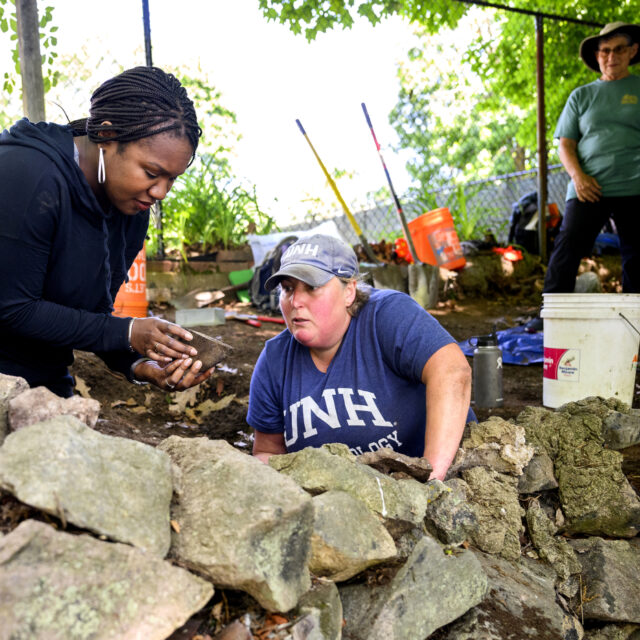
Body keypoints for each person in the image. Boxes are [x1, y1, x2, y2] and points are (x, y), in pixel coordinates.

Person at [0, 66, 213, 397]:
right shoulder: (27, 173)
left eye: (172, 179)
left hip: (44, 380)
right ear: (108, 137)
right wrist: (127, 331)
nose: (161, 192)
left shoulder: (131, 209)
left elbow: (91, 318)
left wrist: (139, 364)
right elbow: (12, 308)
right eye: (152, 172)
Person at [247, 234, 475, 481]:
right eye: (288, 289)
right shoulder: (274, 361)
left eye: (311, 287)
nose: (296, 301)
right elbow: (268, 452)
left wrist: (432, 485)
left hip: (443, 481)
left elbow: (453, 372)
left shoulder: (387, 315)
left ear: (349, 292)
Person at [526, 22, 640, 331]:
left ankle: (633, 320)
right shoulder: (582, 95)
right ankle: (548, 314)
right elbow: (565, 144)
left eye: (618, 49)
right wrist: (578, 177)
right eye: (604, 50)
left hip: (634, 185)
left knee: (636, 254)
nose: (610, 56)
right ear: (597, 55)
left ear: (632, 51)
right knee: (567, 247)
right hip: (587, 185)